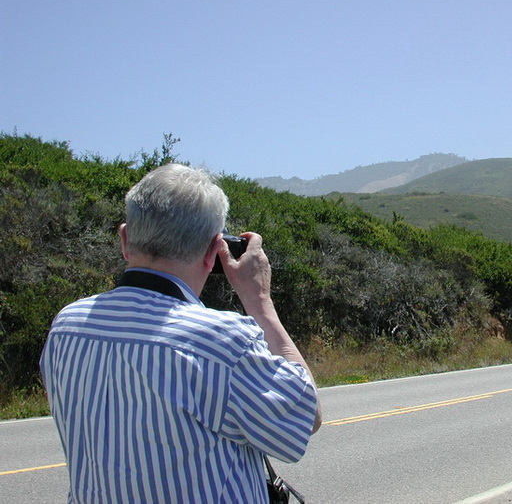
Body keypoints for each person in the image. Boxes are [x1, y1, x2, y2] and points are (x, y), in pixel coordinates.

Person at [40, 163, 322, 503]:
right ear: (215, 251)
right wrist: (259, 301)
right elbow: (306, 416)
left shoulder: (67, 326)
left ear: (125, 239)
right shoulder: (223, 342)